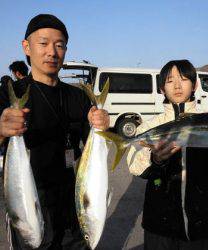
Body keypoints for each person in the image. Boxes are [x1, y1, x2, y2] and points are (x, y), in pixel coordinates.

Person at [0, 14, 109, 249]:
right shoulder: (10, 93)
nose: (52, 52)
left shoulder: (78, 96)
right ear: (26, 47)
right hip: (28, 198)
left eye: (59, 45)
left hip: (73, 202)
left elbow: (92, 148)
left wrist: (100, 126)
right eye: (43, 43)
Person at [127, 60, 208, 250]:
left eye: (183, 79)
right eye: (170, 80)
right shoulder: (150, 126)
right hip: (160, 225)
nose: (177, 85)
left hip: (204, 224)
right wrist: (155, 159)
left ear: (195, 85)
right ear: (161, 88)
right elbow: (134, 166)